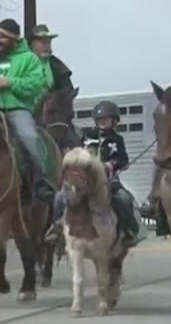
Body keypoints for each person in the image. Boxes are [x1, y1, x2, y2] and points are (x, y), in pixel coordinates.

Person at [0, 19, 55, 205]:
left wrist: (11, 83)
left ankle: (40, 183)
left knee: (29, 137)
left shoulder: (28, 59)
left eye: (3, 37)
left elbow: (36, 85)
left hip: (15, 110)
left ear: (14, 40)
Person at [48, 101, 140, 246]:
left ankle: (127, 231)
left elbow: (123, 159)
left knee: (124, 199)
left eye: (105, 119)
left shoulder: (117, 140)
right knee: (59, 197)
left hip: (109, 180)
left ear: (114, 120)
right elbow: (77, 152)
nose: (102, 122)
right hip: (84, 180)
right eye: (99, 119)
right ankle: (56, 226)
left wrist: (112, 164)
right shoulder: (87, 136)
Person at [28, 24, 74, 96]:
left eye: (48, 42)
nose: (47, 46)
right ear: (32, 44)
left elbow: (68, 91)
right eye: (43, 42)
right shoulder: (24, 63)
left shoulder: (56, 65)